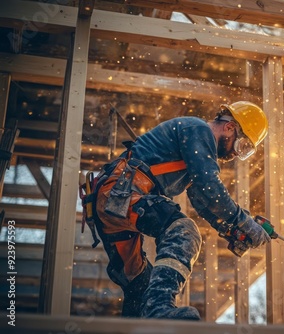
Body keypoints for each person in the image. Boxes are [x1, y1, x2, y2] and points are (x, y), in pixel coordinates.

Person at [87, 101, 271, 321]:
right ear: (230, 127)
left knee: (138, 282)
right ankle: (159, 310)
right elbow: (208, 186)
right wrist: (243, 221)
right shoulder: (198, 130)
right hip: (122, 195)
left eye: (244, 152)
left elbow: (201, 200)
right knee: (184, 232)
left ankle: (135, 327)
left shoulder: (193, 145)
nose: (234, 154)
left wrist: (227, 228)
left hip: (112, 205)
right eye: (241, 146)